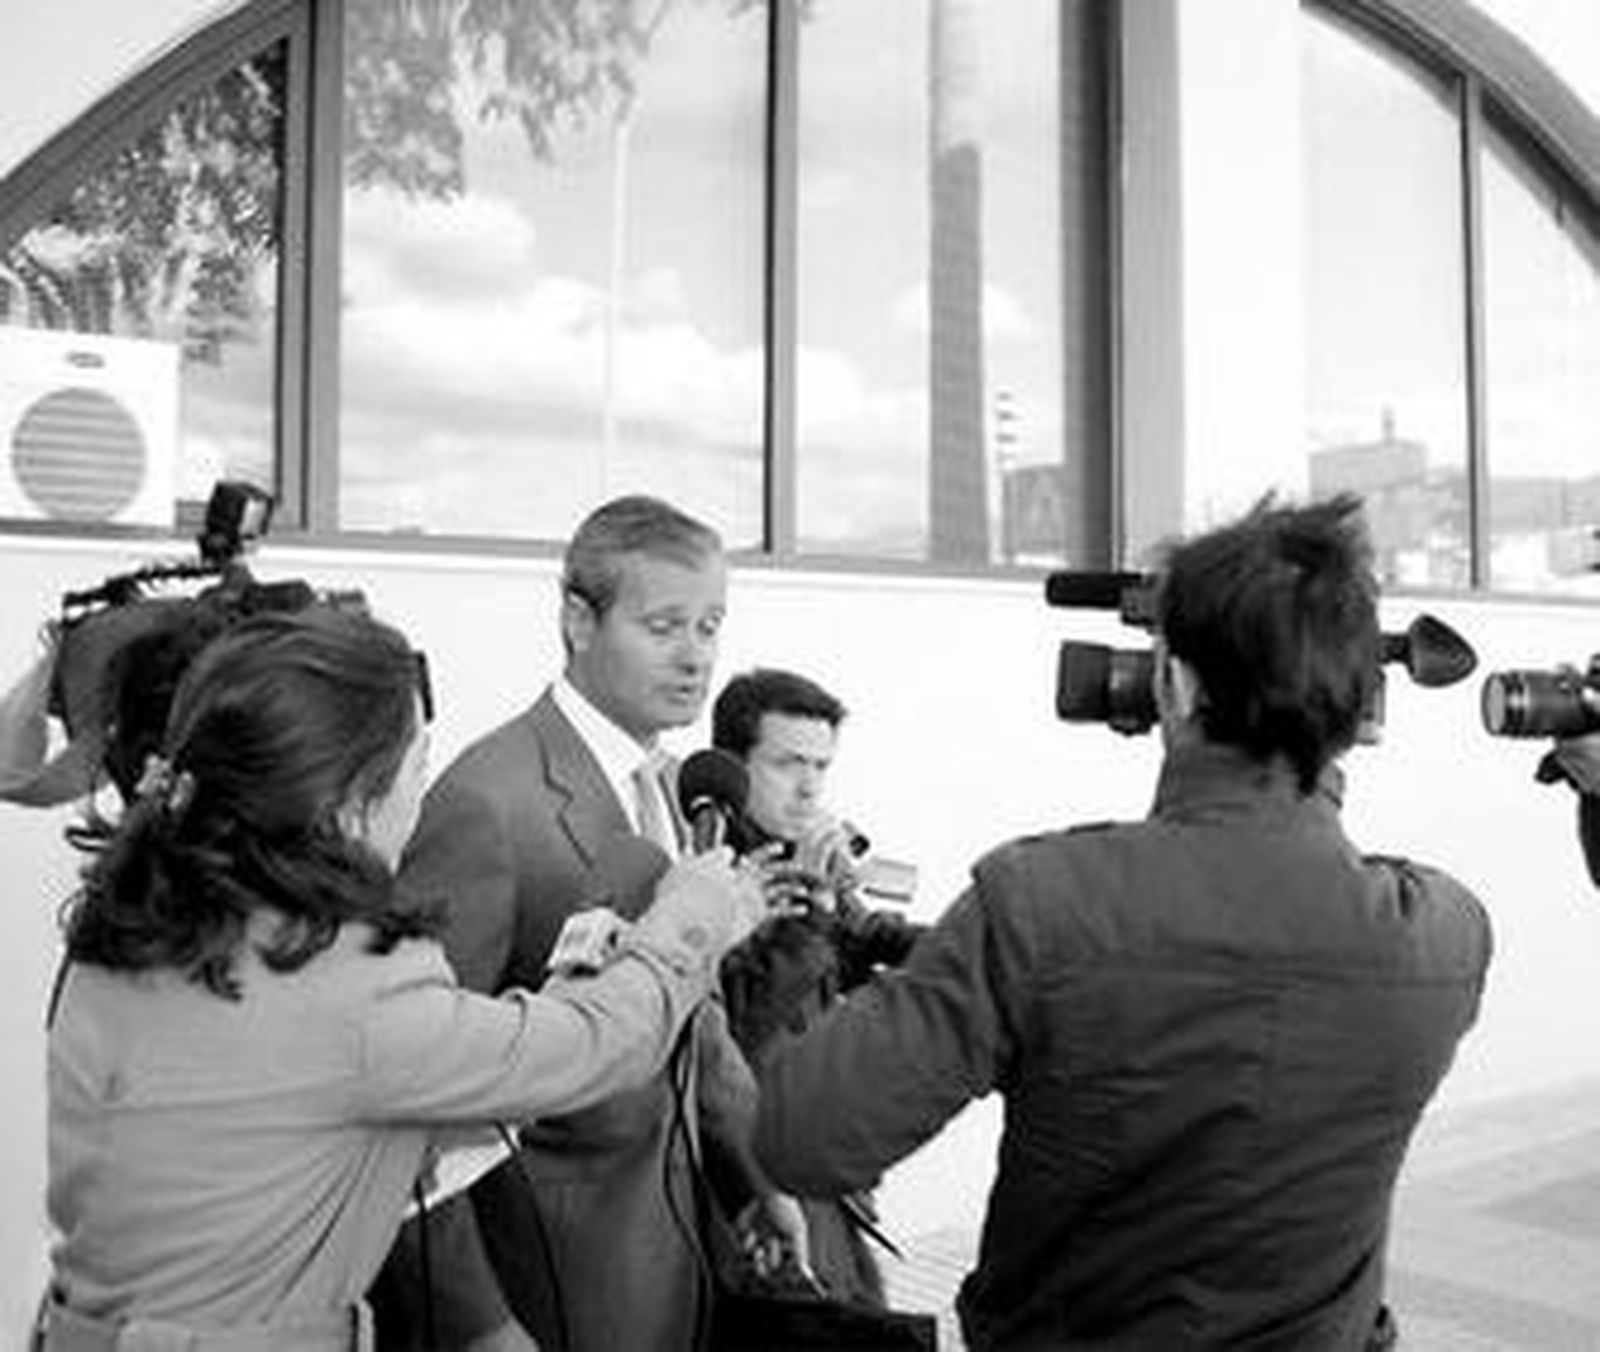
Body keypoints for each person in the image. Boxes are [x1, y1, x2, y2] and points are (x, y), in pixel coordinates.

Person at [752, 494, 1493, 1350]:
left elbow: (800, 1136)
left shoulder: (1042, 904)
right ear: (1361, 707)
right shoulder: (1441, 936)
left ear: (1174, 684)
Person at [38, 606, 760, 1351]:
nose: (425, 792)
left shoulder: (116, 938)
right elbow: (599, 1045)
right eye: (419, 763)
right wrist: (690, 913)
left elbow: (287, 1127)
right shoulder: (353, 982)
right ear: (353, 800)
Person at [375, 495, 781, 1352]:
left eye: (710, 626)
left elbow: (688, 1013)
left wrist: (752, 1177)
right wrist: (475, 1322)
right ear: (577, 620)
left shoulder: (675, 786)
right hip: (543, 1275)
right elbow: (415, 1104)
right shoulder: (487, 801)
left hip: (677, 1253)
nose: (695, 656)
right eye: (665, 625)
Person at [711, 668, 921, 1309]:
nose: (808, 788)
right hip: (754, 1179)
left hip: (828, 1168)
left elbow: (869, 936)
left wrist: (987, 935)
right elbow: (736, 1023)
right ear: (734, 766)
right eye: (787, 764)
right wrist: (814, 906)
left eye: (821, 768)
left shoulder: (803, 859)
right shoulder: (713, 870)